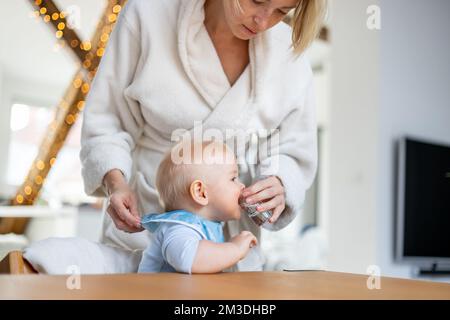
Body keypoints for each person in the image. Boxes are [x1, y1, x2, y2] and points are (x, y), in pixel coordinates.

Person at [80, 0, 326, 271]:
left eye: (282, 11)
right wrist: (116, 184)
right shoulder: (148, 15)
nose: (263, 21)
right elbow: (107, 119)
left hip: (233, 240)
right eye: (256, 1)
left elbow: (293, 150)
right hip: (144, 223)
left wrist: (279, 183)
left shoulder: (289, 55)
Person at [138, 139, 258, 273]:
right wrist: (235, 249)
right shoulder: (181, 227)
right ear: (200, 193)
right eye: (233, 179)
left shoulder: (206, 225)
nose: (242, 186)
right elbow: (189, 258)